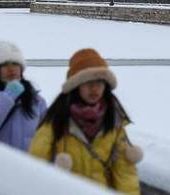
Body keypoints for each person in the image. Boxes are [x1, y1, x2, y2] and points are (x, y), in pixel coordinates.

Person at [30, 48, 143, 194]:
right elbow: (36, 166)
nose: (94, 88)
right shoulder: (56, 122)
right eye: (88, 82)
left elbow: (124, 173)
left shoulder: (114, 122)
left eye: (99, 82)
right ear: (76, 86)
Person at [0, 41, 47, 150]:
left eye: (15, 64)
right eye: (5, 64)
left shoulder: (37, 101)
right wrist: (9, 94)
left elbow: (48, 136)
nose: (11, 68)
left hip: (26, 165)